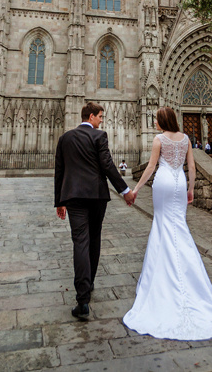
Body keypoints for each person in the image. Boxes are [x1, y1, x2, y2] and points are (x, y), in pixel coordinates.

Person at [123, 106, 212, 340]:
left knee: (162, 226)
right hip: (178, 182)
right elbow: (193, 167)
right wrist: (191, 189)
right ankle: (191, 279)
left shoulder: (158, 140)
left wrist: (135, 189)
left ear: (162, 121)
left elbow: (150, 167)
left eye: (157, 119)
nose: (155, 123)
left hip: (164, 182)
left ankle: (164, 277)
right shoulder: (186, 138)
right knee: (180, 228)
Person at [55, 102, 134, 320]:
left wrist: (59, 201)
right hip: (97, 196)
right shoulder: (99, 137)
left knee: (80, 241)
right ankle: (89, 283)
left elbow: (59, 172)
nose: (101, 120)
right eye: (100, 116)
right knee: (94, 238)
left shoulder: (65, 139)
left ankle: (82, 301)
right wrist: (125, 190)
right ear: (91, 117)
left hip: (73, 197)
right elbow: (108, 166)